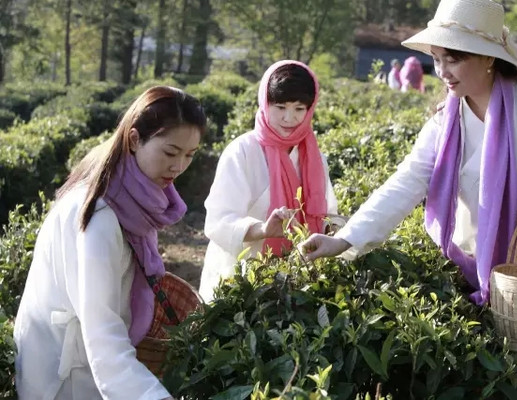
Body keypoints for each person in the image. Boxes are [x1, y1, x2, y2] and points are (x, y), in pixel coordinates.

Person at [298, 0, 517, 399]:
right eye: (437, 59)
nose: (441, 71)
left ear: (489, 58)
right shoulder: (447, 118)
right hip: (499, 275)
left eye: (453, 59)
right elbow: (408, 180)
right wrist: (346, 239)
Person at [13, 86, 207, 400]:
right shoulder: (99, 216)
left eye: (189, 155)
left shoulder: (132, 196)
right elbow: (103, 337)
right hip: (66, 376)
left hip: (86, 362)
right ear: (134, 140)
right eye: (170, 152)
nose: (179, 166)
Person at [200, 60, 338, 303]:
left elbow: (328, 215)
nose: (289, 118)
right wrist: (263, 230)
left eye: (299, 108)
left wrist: (337, 229)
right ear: (265, 103)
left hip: (298, 285)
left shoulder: (315, 157)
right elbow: (218, 221)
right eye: (280, 106)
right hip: (240, 284)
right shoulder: (243, 151)